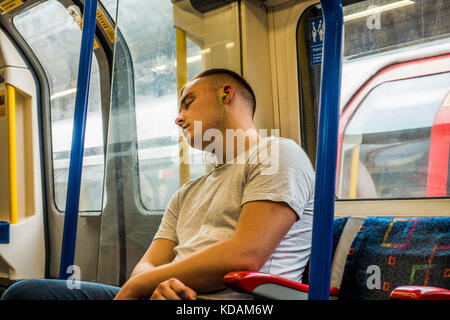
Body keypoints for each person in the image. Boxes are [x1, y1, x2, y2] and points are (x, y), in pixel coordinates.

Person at [1, 68, 315, 300]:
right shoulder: (187, 193)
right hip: (166, 296)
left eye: (188, 103)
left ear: (226, 94)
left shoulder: (277, 154)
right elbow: (149, 262)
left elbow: (245, 256)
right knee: (27, 294)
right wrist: (153, 288)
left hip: (234, 302)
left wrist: (139, 287)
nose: (179, 118)